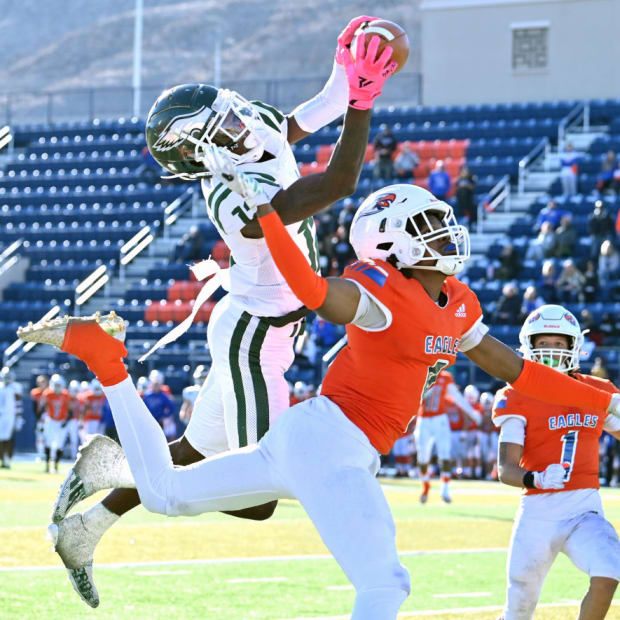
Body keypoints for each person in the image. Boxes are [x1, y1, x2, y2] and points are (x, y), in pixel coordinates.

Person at [20, 179, 620, 618]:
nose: (442, 229)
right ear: (392, 244)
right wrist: (272, 224)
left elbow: (516, 369)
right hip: (334, 444)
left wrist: (594, 400)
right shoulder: (377, 288)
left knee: (166, 494)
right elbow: (310, 290)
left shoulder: (458, 300)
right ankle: (104, 377)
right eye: (424, 225)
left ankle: (104, 358)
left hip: (318, 437)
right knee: (385, 585)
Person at [36, 15, 399, 608]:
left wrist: (347, 68)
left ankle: (88, 522)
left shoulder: (246, 137)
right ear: (203, 153)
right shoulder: (239, 201)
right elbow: (339, 180)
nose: (242, 124)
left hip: (260, 323)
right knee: (260, 497)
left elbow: (321, 104)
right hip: (255, 337)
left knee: (193, 456)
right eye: (222, 128)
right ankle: (113, 468)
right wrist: (364, 104)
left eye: (228, 113)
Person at [493, 304, 620, 620]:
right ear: (529, 347)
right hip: (538, 513)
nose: (551, 351)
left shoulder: (597, 391)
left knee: (610, 571)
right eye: (543, 344)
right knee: (519, 608)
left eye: (558, 344)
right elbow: (505, 468)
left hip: (584, 509)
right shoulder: (516, 395)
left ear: (573, 346)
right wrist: (533, 478)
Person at [414, 369, 481, 503]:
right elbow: (414, 396)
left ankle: (445, 489)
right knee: (422, 456)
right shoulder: (421, 373)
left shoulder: (446, 377)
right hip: (424, 419)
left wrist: (472, 413)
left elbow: (457, 397)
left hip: (440, 419)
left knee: (445, 455)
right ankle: (425, 485)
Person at [41, 374, 71, 473]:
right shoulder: (47, 393)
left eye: (59, 385)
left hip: (61, 421)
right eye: (56, 385)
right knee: (48, 443)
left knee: (59, 445)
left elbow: (70, 411)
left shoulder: (66, 394)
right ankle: (47, 465)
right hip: (50, 421)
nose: (57, 387)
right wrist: (41, 421)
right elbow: (42, 408)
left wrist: (66, 422)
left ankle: (56, 466)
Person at [0, 369, 16, 468]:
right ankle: (3, 459)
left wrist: (19, 417)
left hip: (10, 416)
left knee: (9, 438)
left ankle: (8, 459)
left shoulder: (15, 388)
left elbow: (18, 404)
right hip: (1, 415)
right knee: (1, 439)